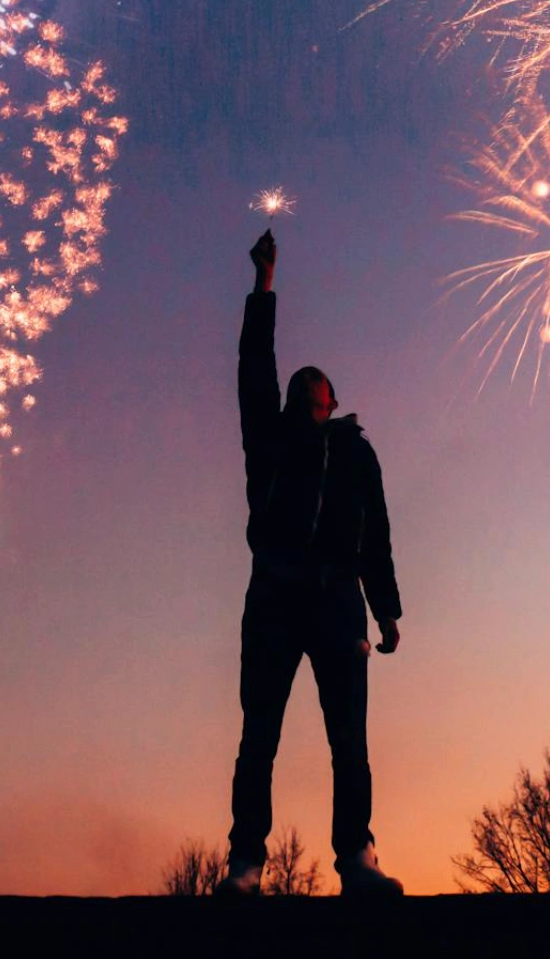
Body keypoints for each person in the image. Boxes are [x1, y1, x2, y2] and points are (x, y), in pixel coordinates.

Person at [215, 229, 405, 898]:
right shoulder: (268, 439)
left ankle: (357, 858)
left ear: (331, 403)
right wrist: (264, 284)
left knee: (348, 740)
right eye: (296, 388)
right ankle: (245, 863)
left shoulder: (356, 454)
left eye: (312, 389)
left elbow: (375, 533)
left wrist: (386, 608)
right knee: (259, 734)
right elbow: (253, 366)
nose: (303, 390)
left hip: (337, 600)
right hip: (275, 592)